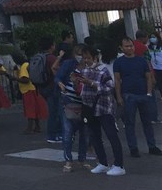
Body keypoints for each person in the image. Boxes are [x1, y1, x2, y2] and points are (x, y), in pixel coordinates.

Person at [75, 45, 124, 175]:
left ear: (95, 57)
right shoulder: (84, 71)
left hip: (103, 108)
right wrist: (77, 83)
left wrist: (92, 83)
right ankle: (102, 162)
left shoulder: (103, 70)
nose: (86, 60)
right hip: (89, 108)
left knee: (111, 135)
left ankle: (119, 164)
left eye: (88, 58)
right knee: (94, 136)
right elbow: (81, 90)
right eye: (84, 58)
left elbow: (109, 88)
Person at [113, 36, 160, 156]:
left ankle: (152, 146)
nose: (129, 48)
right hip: (128, 95)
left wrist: (149, 92)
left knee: (147, 122)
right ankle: (133, 148)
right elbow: (117, 80)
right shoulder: (118, 62)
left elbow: (148, 76)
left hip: (143, 94)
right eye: (127, 46)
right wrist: (118, 97)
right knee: (130, 123)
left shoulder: (141, 60)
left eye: (131, 46)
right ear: (122, 48)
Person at [58, 46, 89, 172]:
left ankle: (82, 159)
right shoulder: (70, 66)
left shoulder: (90, 70)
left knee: (85, 134)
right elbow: (58, 76)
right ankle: (68, 160)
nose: (81, 57)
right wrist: (60, 83)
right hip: (69, 103)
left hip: (84, 105)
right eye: (79, 54)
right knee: (67, 133)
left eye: (84, 55)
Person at [16, 53, 47, 135]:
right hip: (34, 88)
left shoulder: (23, 66)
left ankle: (30, 127)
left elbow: (25, 80)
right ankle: (37, 126)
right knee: (35, 108)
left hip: (27, 89)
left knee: (30, 108)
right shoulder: (29, 64)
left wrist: (15, 79)